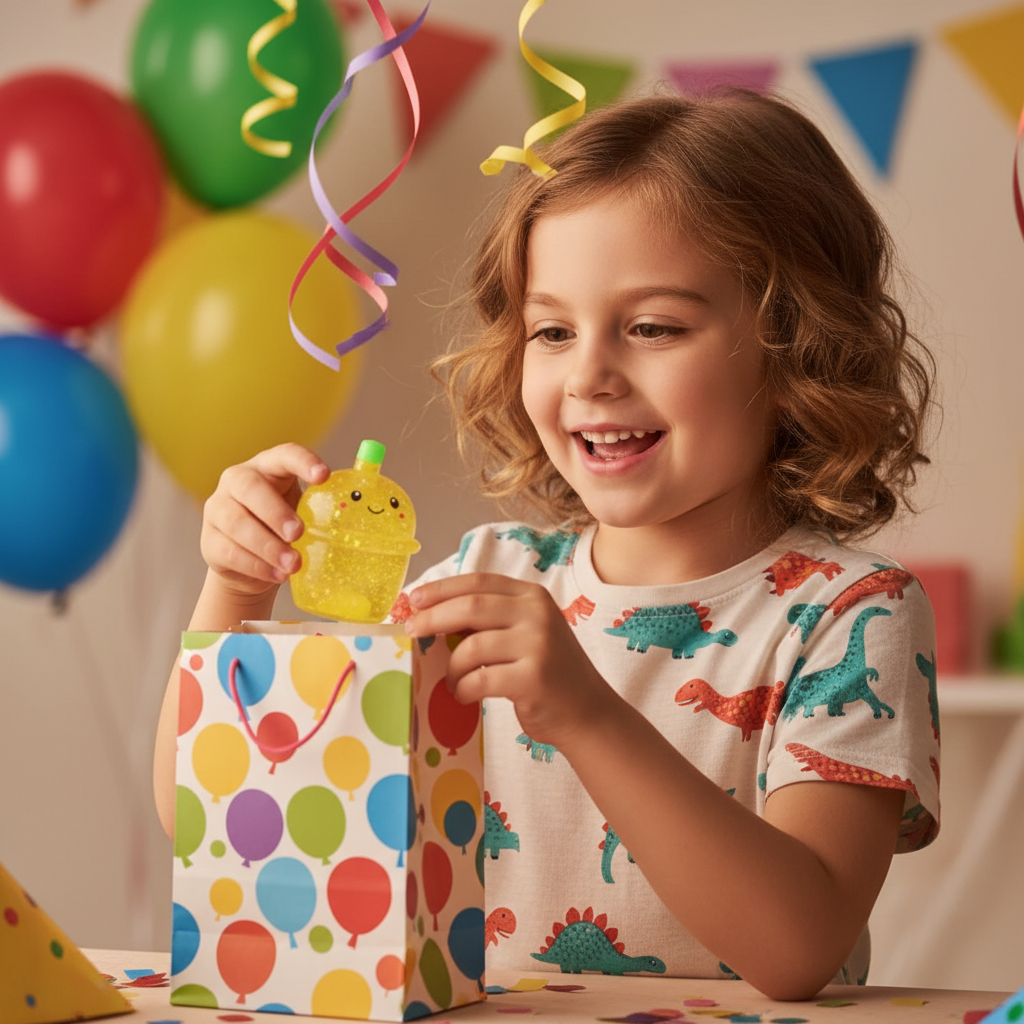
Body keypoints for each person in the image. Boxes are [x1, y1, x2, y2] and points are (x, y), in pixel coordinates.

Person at [154, 90, 939, 1001]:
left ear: (795, 344)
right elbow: (205, 816)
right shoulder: (489, 580)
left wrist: (586, 713)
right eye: (553, 331)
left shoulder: (848, 616)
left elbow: (797, 948)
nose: (590, 375)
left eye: (653, 327)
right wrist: (236, 592)